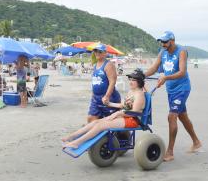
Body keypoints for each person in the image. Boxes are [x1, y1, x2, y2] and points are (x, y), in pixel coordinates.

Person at [144, 31, 201, 161]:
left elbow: (182, 72)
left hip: (182, 88)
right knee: (183, 116)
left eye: (165, 41)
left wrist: (165, 78)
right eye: (161, 41)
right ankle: (196, 142)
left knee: (172, 116)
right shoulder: (162, 52)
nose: (162, 44)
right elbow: (154, 68)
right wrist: (142, 76)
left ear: (172, 41)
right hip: (171, 90)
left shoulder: (181, 51)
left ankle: (170, 152)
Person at [62, 69, 146, 148]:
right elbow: (123, 105)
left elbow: (134, 112)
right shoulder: (131, 91)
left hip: (133, 120)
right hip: (124, 116)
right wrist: (109, 103)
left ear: (139, 82)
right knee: (96, 122)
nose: (130, 81)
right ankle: (72, 137)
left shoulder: (139, 95)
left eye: (133, 80)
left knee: (100, 126)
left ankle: (77, 143)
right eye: (130, 79)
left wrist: (118, 113)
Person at [87, 43, 121, 123]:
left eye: (100, 51)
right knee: (91, 119)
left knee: (112, 121)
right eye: (95, 51)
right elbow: (94, 81)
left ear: (105, 53)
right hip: (96, 98)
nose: (97, 53)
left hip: (109, 97)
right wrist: (93, 94)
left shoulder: (109, 65)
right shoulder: (95, 65)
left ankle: (123, 135)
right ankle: (102, 135)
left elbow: (113, 81)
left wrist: (107, 96)